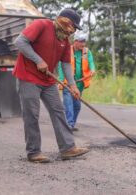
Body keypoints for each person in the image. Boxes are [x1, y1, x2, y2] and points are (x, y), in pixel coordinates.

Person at [13, 8, 89, 163]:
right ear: (65, 22)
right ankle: (34, 152)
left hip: (48, 81)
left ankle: (68, 148)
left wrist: (73, 86)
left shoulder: (65, 40)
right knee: (32, 115)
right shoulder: (41, 25)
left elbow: (66, 64)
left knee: (58, 111)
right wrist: (38, 60)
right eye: (73, 27)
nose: (73, 31)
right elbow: (20, 42)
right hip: (28, 77)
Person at [58, 33, 96, 131]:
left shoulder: (87, 52)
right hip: (67, 82)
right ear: (75, 42)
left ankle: (71, 124)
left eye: (84, 42)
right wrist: (61, 80)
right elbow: (61, 66)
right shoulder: (67, 50)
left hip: (80, 84)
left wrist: (92, 69)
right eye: (81, 42)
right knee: (68, 104)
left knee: (77, 106)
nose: (83, 44)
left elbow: (91, 62)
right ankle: (69, 124)